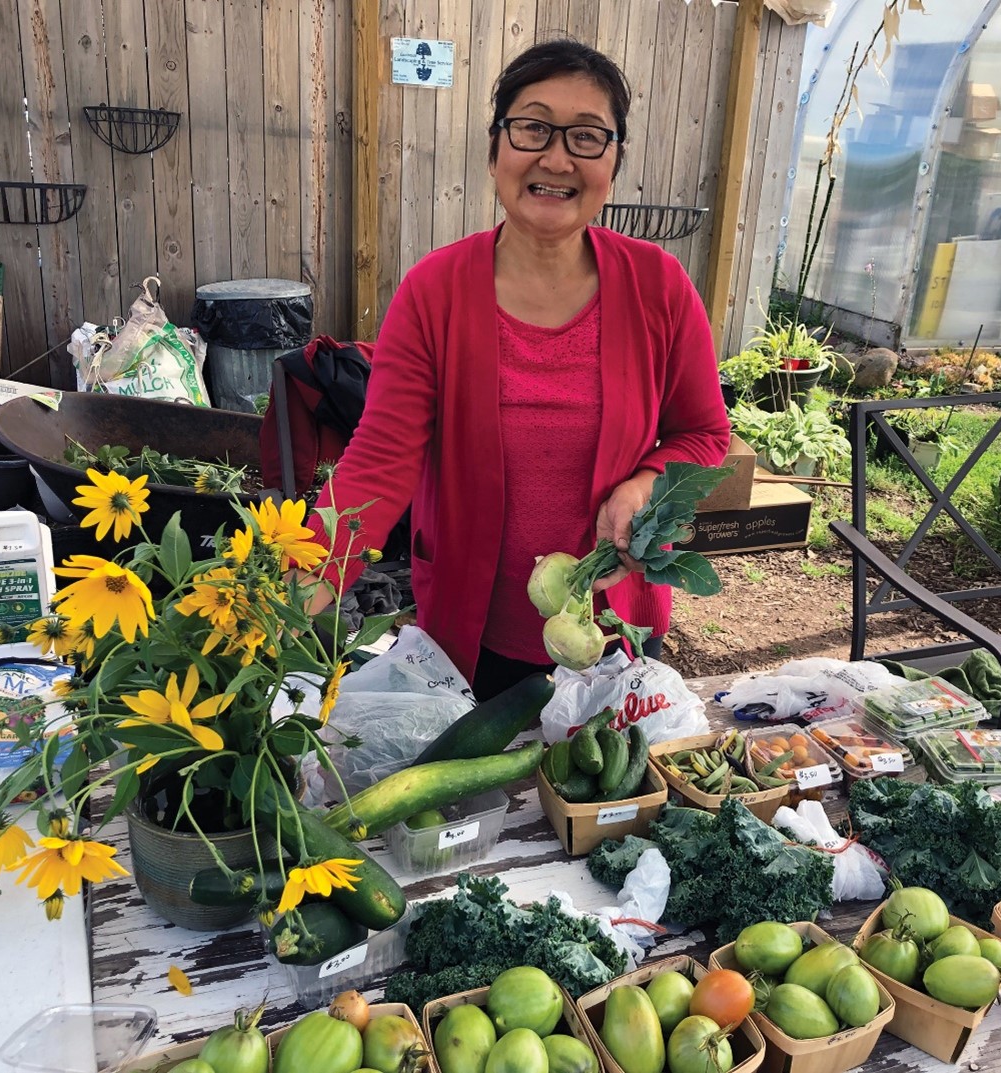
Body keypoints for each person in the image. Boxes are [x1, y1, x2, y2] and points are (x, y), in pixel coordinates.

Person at [307, 39, 730, 700]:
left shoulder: (660, 287)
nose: (556, 158)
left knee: (597, 798)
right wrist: (302, 576)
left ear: (615, 161)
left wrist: (644, 485)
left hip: (612, 633)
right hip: (469, 639)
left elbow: (704, 435)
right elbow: (380, 460)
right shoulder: (434, 293)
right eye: (533, 127)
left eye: (588, 137)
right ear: (495, 147)